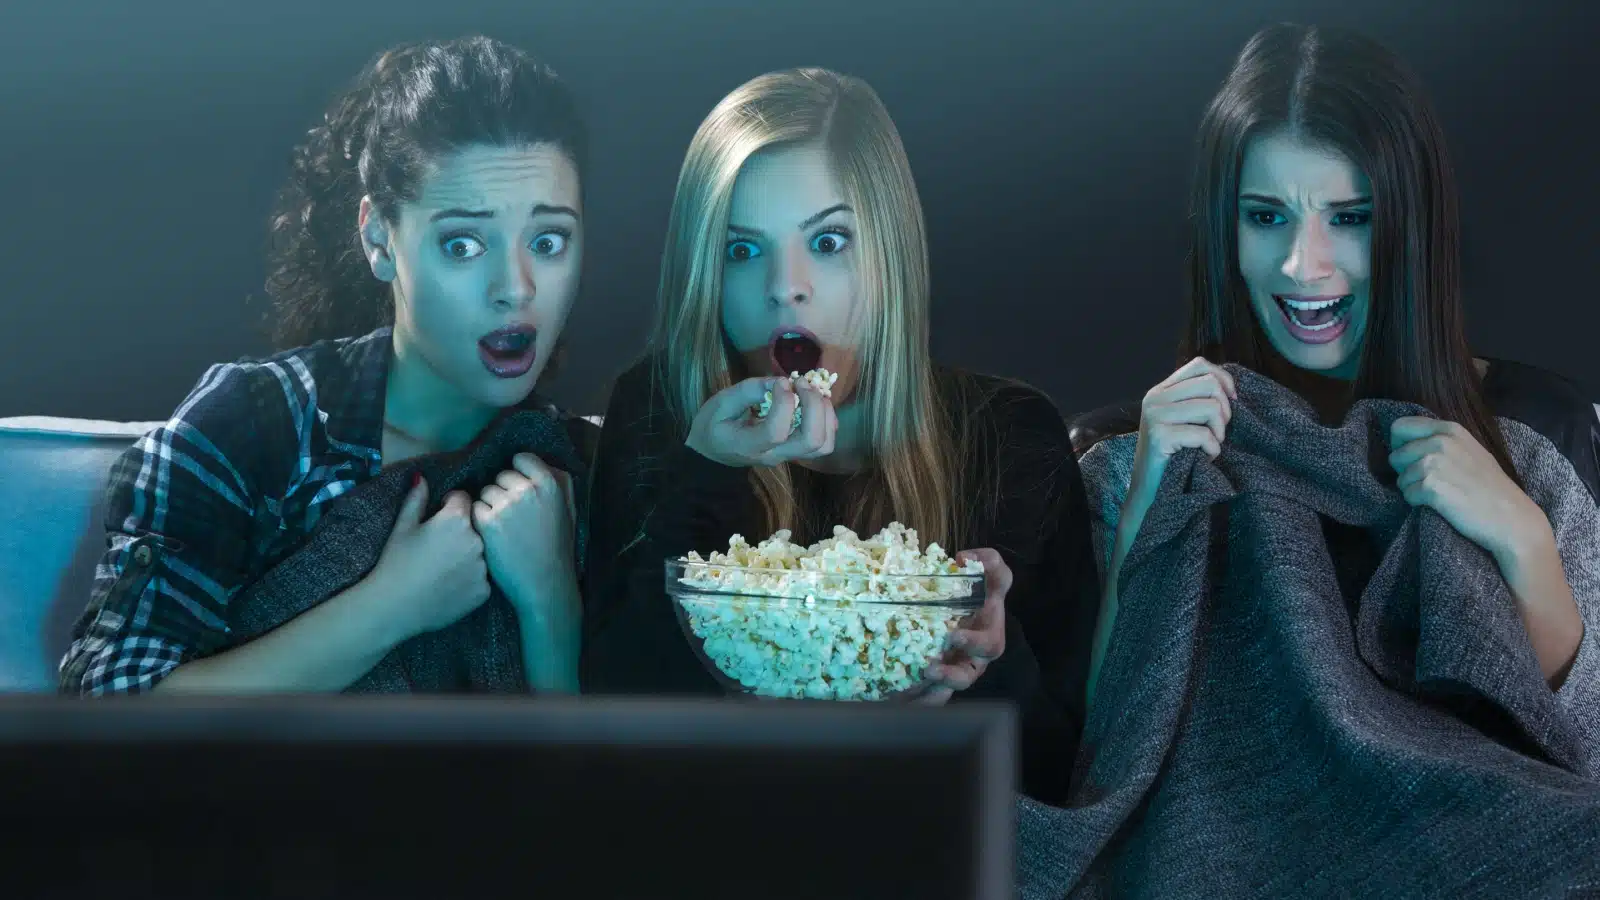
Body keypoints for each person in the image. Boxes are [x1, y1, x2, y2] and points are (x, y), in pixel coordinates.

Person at [579, 67, 1101, 803]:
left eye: (828, 242)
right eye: (741, 249)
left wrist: (991, 660)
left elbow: (1059, 778)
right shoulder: (662, 411)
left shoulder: (1009, 437)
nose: (784, 287)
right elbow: (613, 727)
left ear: (889, 251)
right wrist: (710, 475)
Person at [1081, 22, 1598, 721]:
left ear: (1408, 228)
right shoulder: (1130, 452)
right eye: (1267, 217)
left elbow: (1580, 760)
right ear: (1223, 232)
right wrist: (1147, 490)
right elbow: (1107, 751)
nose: (1303, 264)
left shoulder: (1537, 426)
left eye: (1350, 217)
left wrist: (1527, 542)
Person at [58, 36, 595, 695]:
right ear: (379, 240)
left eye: (548, 241)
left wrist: (551, 602)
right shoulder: (254, 430)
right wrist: (388, 606)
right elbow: (106, 712)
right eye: (462, 243)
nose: (515, 288)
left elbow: (596, 788)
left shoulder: (593, 474)